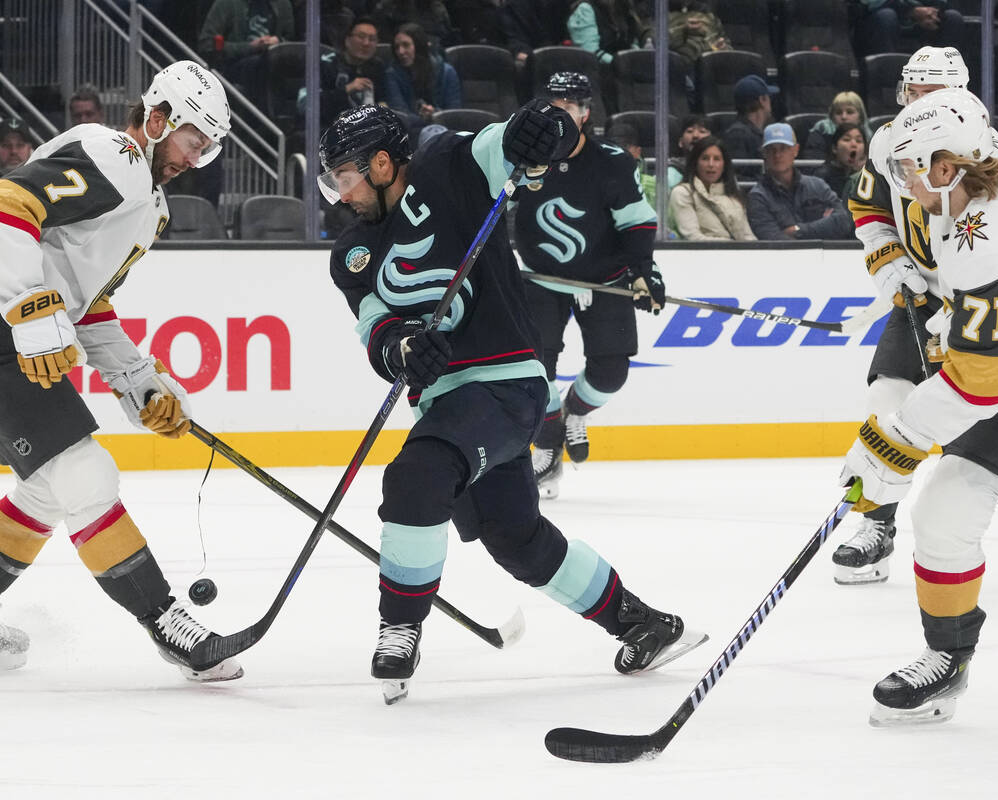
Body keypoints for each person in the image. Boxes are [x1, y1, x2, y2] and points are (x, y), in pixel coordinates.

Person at [317, 100, 704, 703]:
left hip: (506, 382)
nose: (339, 194)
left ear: (385, 163)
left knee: (418, 475)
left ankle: (399, 627)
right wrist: (401, 349)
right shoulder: (351, 254)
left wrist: (538, 127)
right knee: (514, 536)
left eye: (344, 176)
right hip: (446, 406)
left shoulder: (446, 165)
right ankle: (642, 624)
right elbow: (375, 326)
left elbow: (504, 141)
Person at [0, 61, 243, 683]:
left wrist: (139, 380)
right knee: (86, 474)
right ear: (159, 119)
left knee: (49, 486)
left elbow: (89, 305)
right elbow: (2, 210)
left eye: (207, 149)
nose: (197, 159)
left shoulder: (148, 204)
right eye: (194, 141)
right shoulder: (116, 154)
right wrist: (31, 313)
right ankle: (169, 623)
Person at [839, 88, 998, 726]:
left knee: (945, 496)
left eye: (908, 170)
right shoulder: (972, 164)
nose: (901, 183)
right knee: (946, 508)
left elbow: (981, 384)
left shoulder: (992, 236)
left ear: (944, 169)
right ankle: (949, 659)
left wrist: (891, 445)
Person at [835, 45, 998, 583]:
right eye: (912, 91)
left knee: (969, 421)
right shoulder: (892, 139)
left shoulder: (986, 154)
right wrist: (888, 262)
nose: (918, 103)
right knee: (885, 397)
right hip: (919, 292)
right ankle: (876, 524)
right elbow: (867, 206)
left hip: (980, 298)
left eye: (931, 94)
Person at [512, 72, 664, 499]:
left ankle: (572, 412)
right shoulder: (523, 157)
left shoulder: (613, 161)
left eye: (568, 106)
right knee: (535, 369)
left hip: (604, 279)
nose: (558, 114)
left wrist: (643, 271)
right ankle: (545, 443)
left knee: (612, 371)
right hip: (542, 279)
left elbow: (636, 221)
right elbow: (491, 205)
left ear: (584, 113)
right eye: (552, 105)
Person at [746, 122, 853, 241]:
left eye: (784, 148)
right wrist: (822, 228)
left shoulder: (818, 186)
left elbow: (843, 221)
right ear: (764, 153)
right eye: (771, 149)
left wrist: (798, 231)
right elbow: (773, 239)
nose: (777, 155)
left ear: (796, 150)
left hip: (826, 256)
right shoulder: (757, 197)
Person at [301, 17, 388, 127]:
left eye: (372, 39)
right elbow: (306, 104)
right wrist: (347, 89)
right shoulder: (326, 63)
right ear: (347, 40)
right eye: (361, 37)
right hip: (325, 128)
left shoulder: (377, 67)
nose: (366, 43)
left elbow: (383, 99)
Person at [197, 0, 293, 97]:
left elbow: (292, 40)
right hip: (235, 64)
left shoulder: (282, 3)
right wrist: (251, 47)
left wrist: (279, 41)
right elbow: (207, 44)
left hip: (275, 62)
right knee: (261, 64)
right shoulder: (226, 3)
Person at [669, 135, 755, 241]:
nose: (711, 164)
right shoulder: (683, 193)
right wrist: (733, 246)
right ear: (695, 163)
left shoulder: (733, 195)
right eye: (705, 158)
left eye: (717, 159)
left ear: (724, 165)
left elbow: (748, 236)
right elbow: (693, 237)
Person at [384, 22, 460, 132]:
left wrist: (434, 114)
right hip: (410, 133)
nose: (400, 52)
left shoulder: (447, 72)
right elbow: (399, 113)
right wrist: (426, 118)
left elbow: (454, 113)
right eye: (397, 47)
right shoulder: (392, 74)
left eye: (406, 45)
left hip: (446, 130)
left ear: (419, 46)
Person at [853, 1, 963, 58]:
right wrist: (911, 11)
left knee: (953, 18)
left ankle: (943, 82)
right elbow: (873, 4)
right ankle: (889, 83)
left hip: (921, 20)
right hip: (877, 20)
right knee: (886, 16)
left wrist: (930, 12)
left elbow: (942, 3)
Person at [722, 74, 778, 165]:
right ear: (762, 100)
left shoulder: (756, 133)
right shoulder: (737, 135)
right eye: (769, 98)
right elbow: (739, 173)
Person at [803, 91, 872, 161]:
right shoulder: (820, 132)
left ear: (860, 117)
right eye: (838, 113)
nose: (844, 117)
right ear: (832, 117)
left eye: (849, 112)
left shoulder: (869, 136)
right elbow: (813, 167)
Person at [813, 122, 867, 198]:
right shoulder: (822, 176)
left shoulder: (867, 177)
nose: (854, 144)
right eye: (847, 139)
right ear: (834, 148)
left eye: (859, 141)